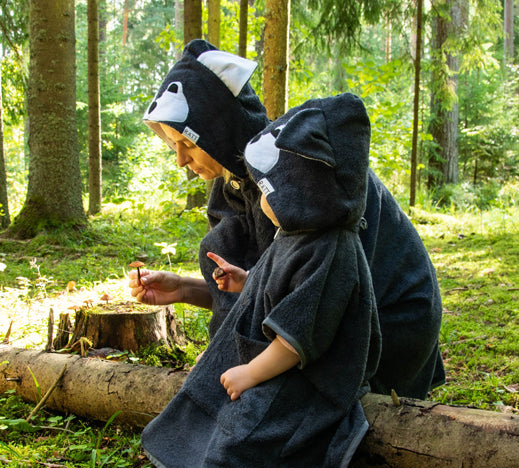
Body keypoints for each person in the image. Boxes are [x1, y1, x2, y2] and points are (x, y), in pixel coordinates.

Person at [118, 93, 381, 468]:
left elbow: (300, 339)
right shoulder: (296, 235)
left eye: (271, 192)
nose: (261, 202)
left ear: (309, 193)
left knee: (251, 411)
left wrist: (250, 373)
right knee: (207, 378)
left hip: (309, 373)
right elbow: (275, 285)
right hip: (273, 356)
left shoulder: (331, 250)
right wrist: (245, 283)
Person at [130, 39, 445, 400]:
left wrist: (239, 363)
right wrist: (185, 289)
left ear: (215, 127)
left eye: (187, 143)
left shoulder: (296, 175)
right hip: (319, 322)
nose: (181, 161)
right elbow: (262, 286)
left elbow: (314, 289)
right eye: (173, 146)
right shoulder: (232, 186)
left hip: (389, 327)